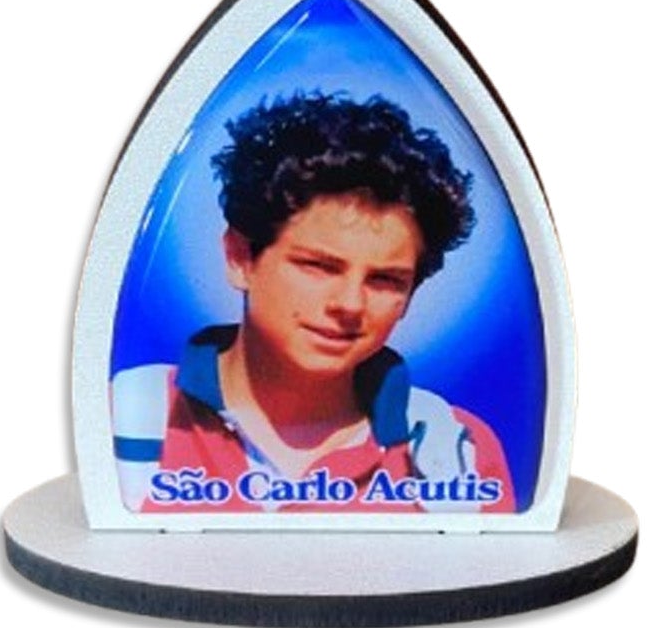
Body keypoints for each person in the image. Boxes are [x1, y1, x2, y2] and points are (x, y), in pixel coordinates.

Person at [111, 91, 516, 515]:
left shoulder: (456, 455)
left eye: (384, 280)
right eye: (319, 266)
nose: (350, 304)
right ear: (240, 258)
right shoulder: (126, 418)